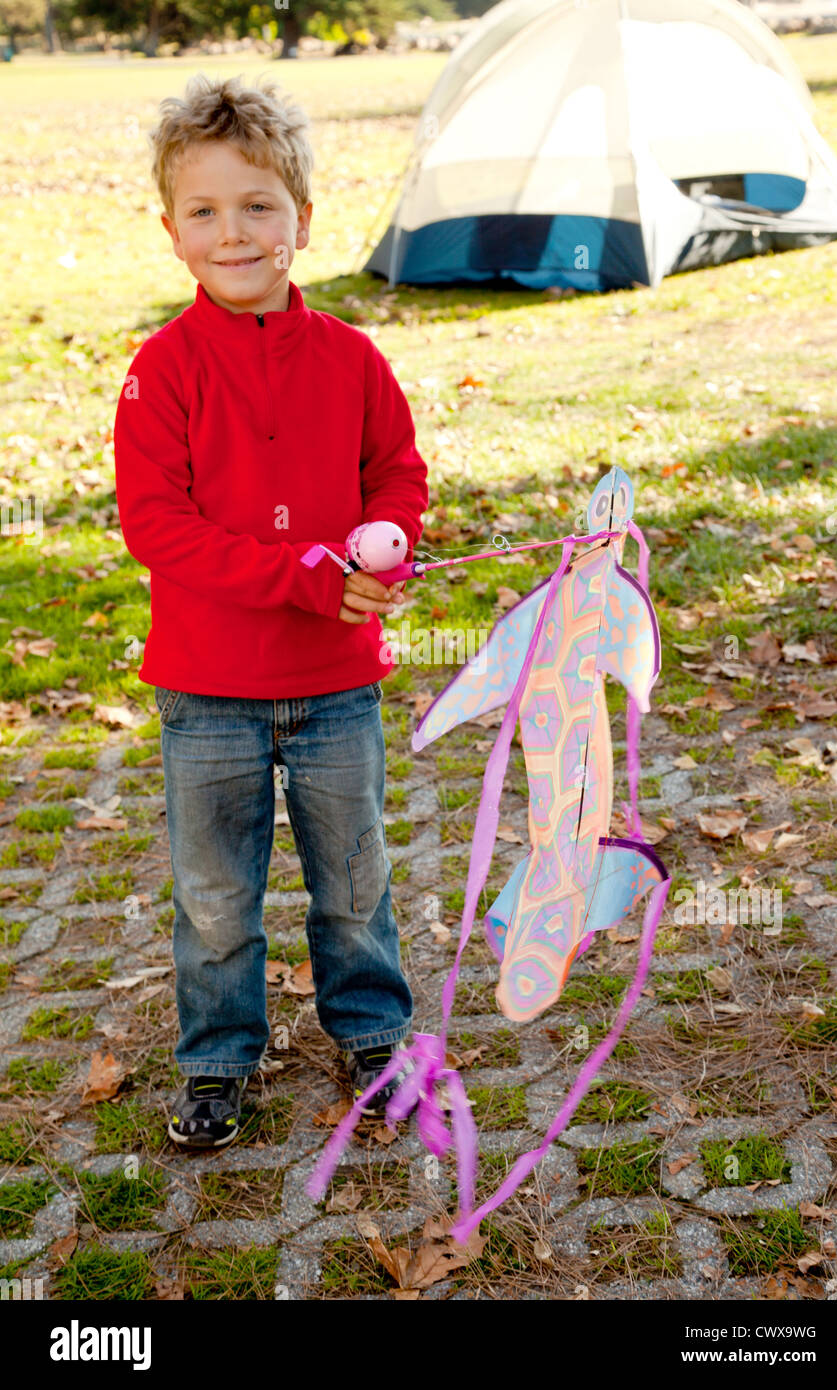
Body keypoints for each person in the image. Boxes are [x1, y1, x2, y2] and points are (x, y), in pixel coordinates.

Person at [113, 73, 428, 1148]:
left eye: (258, 205)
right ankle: (215, 1058)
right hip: (207, 694)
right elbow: (158, 528)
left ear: (303, 217)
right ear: (171, 231)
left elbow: (397, 475)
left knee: (353, 878)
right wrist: (302, 574)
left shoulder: (351, 359)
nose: (233, 231)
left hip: (337, 685)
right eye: (204, 210)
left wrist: (393, 548)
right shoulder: (161, 373)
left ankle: (373, 1029)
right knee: (211, 897)